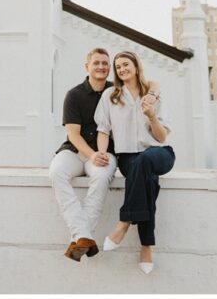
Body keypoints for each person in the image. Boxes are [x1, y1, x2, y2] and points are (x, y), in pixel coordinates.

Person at [49, 47, 159, 261]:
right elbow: (73, 134)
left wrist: (152, 95)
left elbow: (151, 83)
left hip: (105, 153)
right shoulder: (74, 95)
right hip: (76, 150)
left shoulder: (116, 91)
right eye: (96, 63)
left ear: (110, 68)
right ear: (87, 66)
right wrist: (91, 155)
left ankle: (81, 238)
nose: (101, 66)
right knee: (56, 173)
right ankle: (83, 234)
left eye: (105, 63)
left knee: (100, 178)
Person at [96, 50, 175, 275]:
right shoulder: (110, 95)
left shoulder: (153, 95)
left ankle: (123, 223)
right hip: (128, 157)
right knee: (147, 178)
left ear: (136, 66)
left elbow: (162, 138)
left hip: (159, 153)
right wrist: (101, 152)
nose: (122, 69)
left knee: (146, 161)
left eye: (126, 64)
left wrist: (151, 115)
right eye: (118, 66)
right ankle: (146, 246)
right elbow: (103, 129)